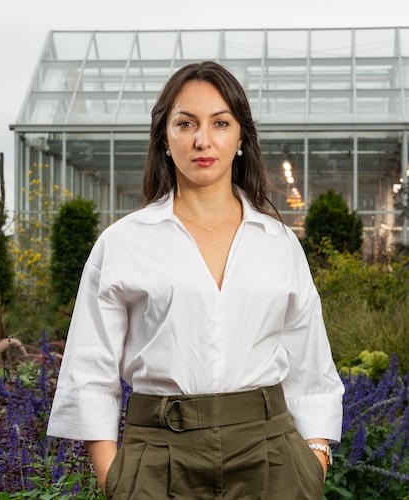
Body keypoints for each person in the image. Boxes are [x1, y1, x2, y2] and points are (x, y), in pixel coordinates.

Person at [47, 61, 344, 499]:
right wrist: (117, 479)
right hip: (158, 457)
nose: (202, 140)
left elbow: (311, 366)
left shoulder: (278, 243)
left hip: (271, 456)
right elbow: (90, 370)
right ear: (165, 138)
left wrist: (313, 460)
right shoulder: (123, 243)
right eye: (186, 123)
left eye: (220, 123)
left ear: (240, 137)